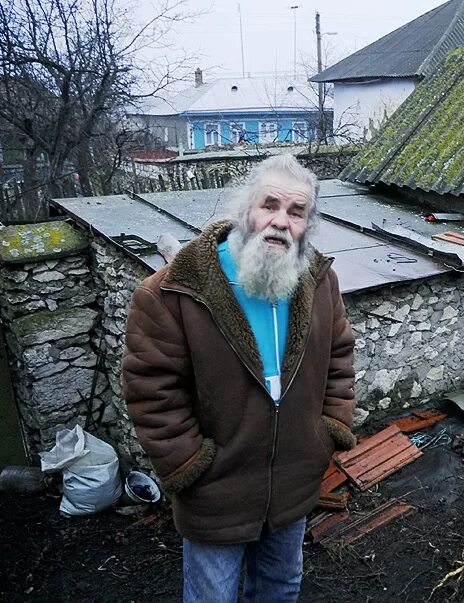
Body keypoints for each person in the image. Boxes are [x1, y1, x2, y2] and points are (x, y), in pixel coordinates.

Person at [122, 154, 356, 602]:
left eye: (297, 212)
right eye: (269, 205)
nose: (281, 221)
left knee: (280, 587)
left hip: (293, 480)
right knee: (213, 597)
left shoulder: (318, 282)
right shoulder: (172, 292)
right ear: (245, 208)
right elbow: (150, 390)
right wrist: (191, 465)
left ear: (309, 222)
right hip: (216, 489)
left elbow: (340, 357)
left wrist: (329, 430)